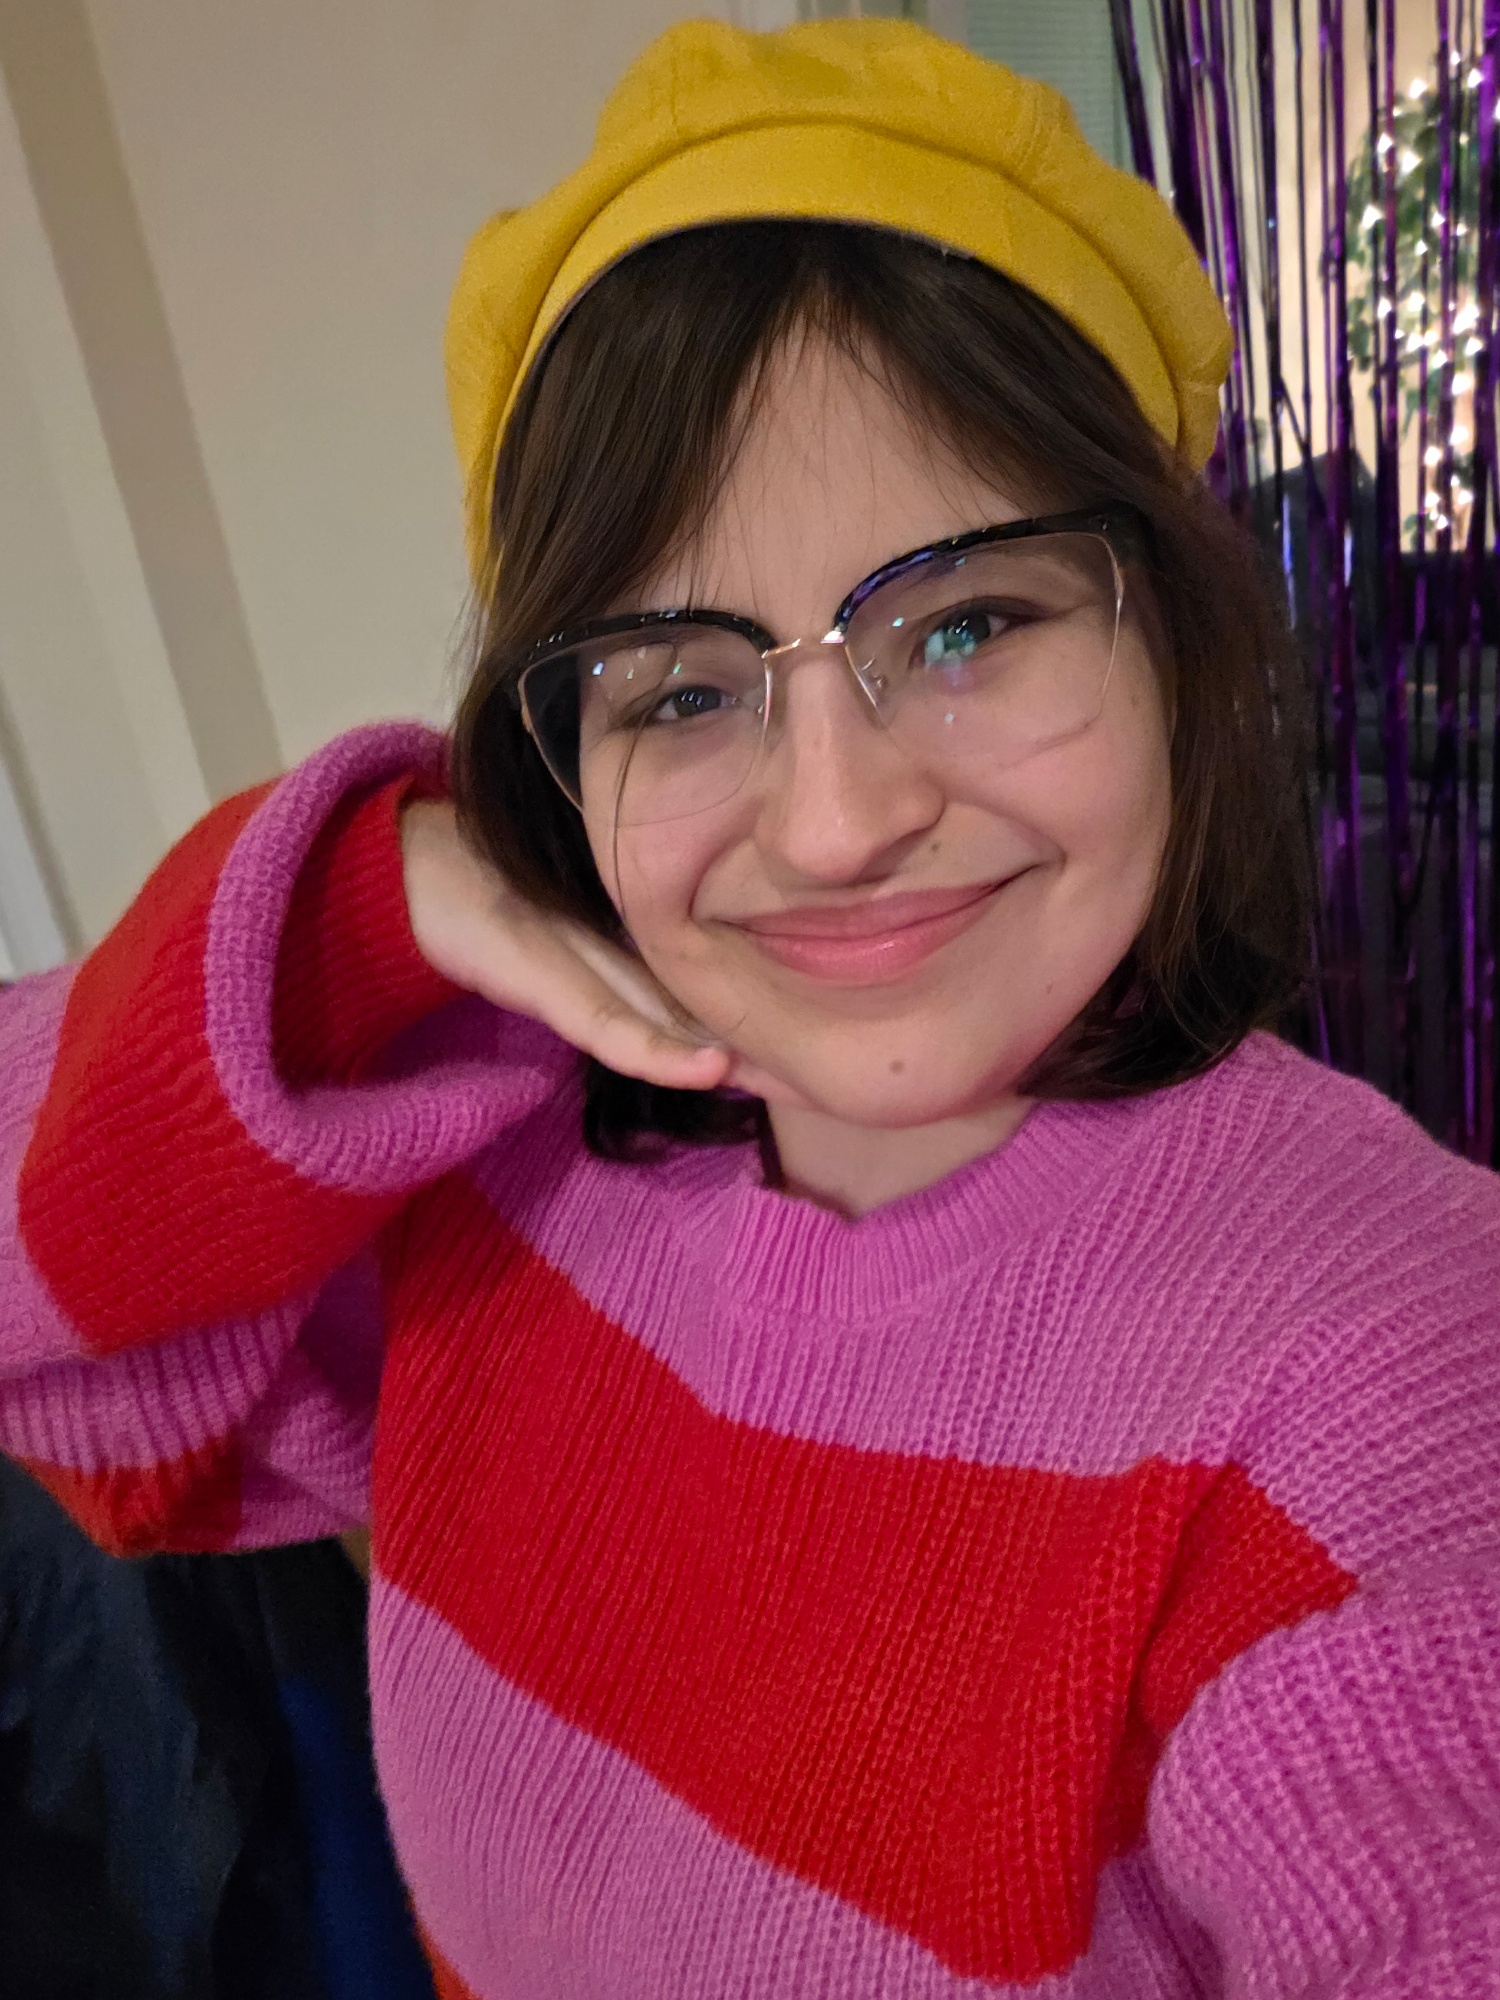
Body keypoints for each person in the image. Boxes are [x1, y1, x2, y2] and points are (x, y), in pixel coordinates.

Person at [2, 17, 1496, 1998]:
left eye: (967, 624)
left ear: (1169, 637)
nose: (837, 820)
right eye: (687, 688)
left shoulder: (1394, 1360)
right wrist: (362, 910)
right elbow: (63, 1363)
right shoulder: (497, 1148)